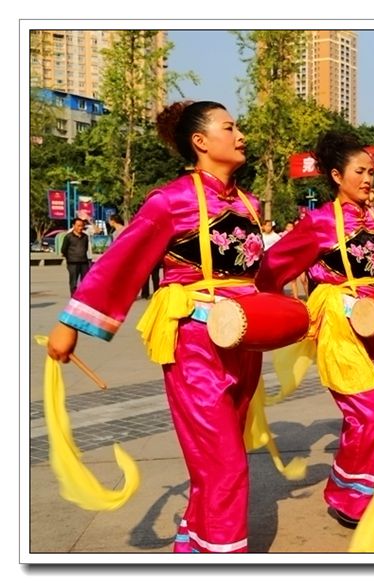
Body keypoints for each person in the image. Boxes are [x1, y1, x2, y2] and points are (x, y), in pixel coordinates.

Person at [48, 100, 263, 553]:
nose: (240, 135)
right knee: (226, 463)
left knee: (216, 458)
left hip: (245, 340)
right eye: (230, 127)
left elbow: (265, 271)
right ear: (200, 141)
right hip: (196, 344)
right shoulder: (171, 201)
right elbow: (121, 260)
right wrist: (71, 323)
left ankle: (195, 543)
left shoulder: (250, 203)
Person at [256, 130, 374, 528]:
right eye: (359, 171)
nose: (367, 179)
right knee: (373, 415)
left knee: (361, 416)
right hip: (338, 325)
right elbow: (274, 266)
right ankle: (353, 501)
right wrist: (259, 307)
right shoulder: (319, 223)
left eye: (371, 172)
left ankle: (347, 491)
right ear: (336, 175)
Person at [60, 217, 91, 295]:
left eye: (82, 226)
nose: (80, 228)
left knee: (85, 281)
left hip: (84, 263)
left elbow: (86, 248)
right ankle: (73, 297)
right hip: (72, 263)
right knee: (73, 282)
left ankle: (83, 297)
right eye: (78, 226)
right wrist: (70, 257)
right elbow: (63, 250)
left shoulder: (85, 237)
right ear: (73, 225)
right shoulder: (68, 237)